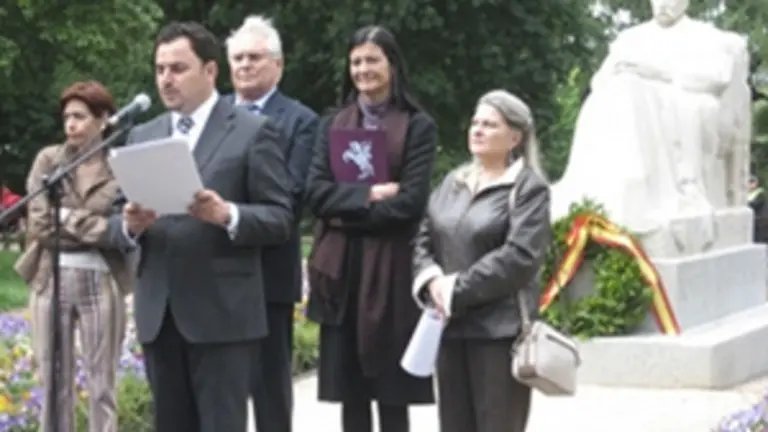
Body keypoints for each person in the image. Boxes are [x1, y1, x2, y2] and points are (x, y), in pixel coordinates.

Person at [105, 21, 294, 432]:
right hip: (160, 313)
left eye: (177, 68)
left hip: (222, 316)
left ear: (210, 71)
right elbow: (114, 223)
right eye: (160, 69)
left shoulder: (252, 132)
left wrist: (229, 215)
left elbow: (280, 218)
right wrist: (130, 226)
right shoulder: (142, 135)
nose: (166, 79)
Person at [304, 25, 437, 432]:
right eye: (356, 61)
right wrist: (368, 196)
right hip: (341, 273)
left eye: (372, 60)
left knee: (392, 393)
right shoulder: (332, 125)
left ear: (392, 65)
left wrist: (343, 211)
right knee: (351, 395)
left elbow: (410, 204)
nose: (363, 69)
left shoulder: (417, 126)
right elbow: (315, 194)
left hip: (391, 273)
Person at [412, 90, 551, 432]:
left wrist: (456, 288)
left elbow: (520, 257)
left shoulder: (528, 189)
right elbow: (423, 237)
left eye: (490, 125)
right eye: (475, 122)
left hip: (498, 334)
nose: (477, 130)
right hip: (449, 328)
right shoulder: (453, 183)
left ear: (515, 137)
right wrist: (431, 280)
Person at [15, 80, 132, 432]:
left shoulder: (121, 165)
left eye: (80, 116)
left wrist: (65, 217)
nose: (71, 124)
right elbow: (40, 224)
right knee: (53, 379)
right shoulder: (49, 161)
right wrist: (88, 226)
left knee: (102, 382)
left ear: (103, 118)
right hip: (50, 276)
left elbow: (117, 230)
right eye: (67, 117)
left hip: (102, 276)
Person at [224, 15, 318, 432]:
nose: (245, 65)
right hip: (211, 270)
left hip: (268, 273)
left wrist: (228, 211)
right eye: (238, 58)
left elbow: (292, 194)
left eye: (255, 57)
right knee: (218, 390)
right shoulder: (214, 114)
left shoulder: (301, 121)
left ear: (278, 65)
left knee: (269, 390)